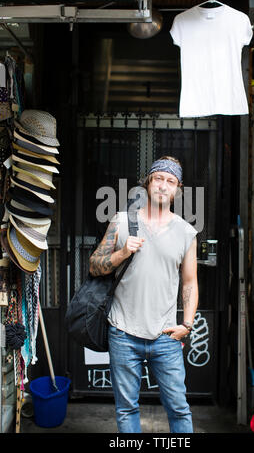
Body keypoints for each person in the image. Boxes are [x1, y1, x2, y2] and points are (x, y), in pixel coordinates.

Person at [89, 156, 198, 433]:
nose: (163, 185)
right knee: (126, 409)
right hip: (123, 332)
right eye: (158, 178)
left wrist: (187, 324)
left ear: (178, 189)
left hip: (166, 336)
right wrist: (123, 252)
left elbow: (189, 282)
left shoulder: (186, 232)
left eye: (170, 181)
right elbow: (94, 265)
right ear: (148, 183)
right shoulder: (122, 221)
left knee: (179, 408)